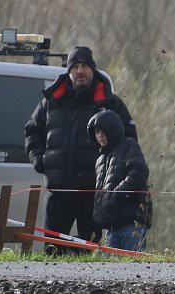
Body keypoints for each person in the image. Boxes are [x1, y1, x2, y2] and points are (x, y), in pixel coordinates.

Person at [24, 46, 135, 252]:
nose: (80, 71)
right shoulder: (51, 101)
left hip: (93, 194)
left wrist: (111, 172)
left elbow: (128, 142)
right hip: (58, 191)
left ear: (93, 69)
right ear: (69, 71)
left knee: (89, 252)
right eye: (75, 67)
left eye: (84, 66)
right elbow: (32, 132)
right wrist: (41, 161)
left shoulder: (110, 103)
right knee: (52, 251)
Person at [88, 109, 151, 252]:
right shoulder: (100, 159)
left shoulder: (129, 145)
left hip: (131, 224)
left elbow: (140, 172)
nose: (100, 136)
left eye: (104, 131)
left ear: (114, 130)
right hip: (111, 227)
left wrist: (116, 193)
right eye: (97, 132)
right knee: (111, 271)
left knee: (133, 268)